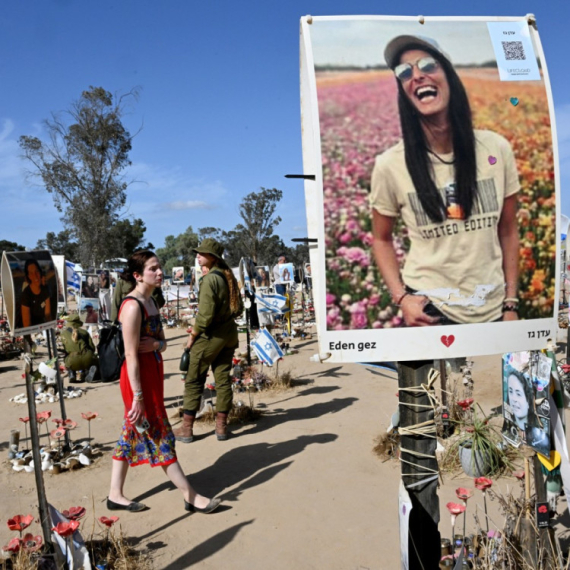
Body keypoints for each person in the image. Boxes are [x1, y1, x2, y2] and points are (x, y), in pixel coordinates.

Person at [370, 35, 520, 326]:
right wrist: (402, 298)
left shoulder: (496, 149)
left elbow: (509, 229)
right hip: (428, 308)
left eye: (428, 64)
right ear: (403, 91)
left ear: (449, 76)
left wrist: (511, 303)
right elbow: (380, 238)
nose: (417, 75)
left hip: (495, 310)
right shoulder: (390, 165)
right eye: (404, 72)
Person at [107, 250, 221, 514]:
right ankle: (189, 494)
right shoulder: (133, 306)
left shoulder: (151, 303)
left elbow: (163, 343)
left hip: (152, 375)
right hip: (137, 380)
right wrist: (137, 396)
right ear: (137, 275)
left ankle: (115, 494)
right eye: (153, 269)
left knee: (132, 430)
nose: (160, 272)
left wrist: (157, 344)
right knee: (159, 433)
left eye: (159, 267)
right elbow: (131, 355)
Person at [174, 238, 243, 443]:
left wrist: (192, 336)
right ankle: (221, 427)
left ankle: (187, 429)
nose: (197, 256)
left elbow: (204, 316)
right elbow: (237, 308)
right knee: (222, 380)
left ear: (212, 257)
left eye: (201, 253)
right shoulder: (226, 276)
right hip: (228, 334)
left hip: (211, 336)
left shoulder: (210, 279)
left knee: (194, 379)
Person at [60, 314, 98, 383]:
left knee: (66, 357)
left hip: (72, 360)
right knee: (92, 358)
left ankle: (72, 374)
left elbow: (64, 350)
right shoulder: (85, 332)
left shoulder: (63, 334)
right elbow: (92, 348)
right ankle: (87, 371)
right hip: (87, 358)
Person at [21, 259, 51, 328]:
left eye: (36, 271)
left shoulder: (45, 290)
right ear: (28, 276)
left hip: (42, 327)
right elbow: (27, 324)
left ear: (40, 272)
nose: (35, 275)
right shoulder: (26, 295)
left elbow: (48, 315)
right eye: (31, 273)